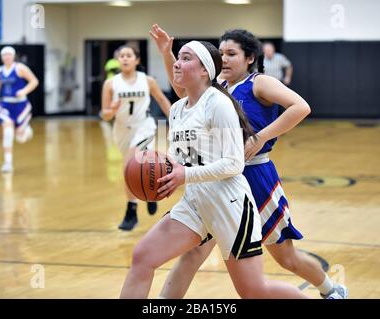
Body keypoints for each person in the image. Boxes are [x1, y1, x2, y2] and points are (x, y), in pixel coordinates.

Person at [149, 25, 348, 299]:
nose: (225, 59)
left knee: (285, 257)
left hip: (255, 177)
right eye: (221, 54)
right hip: (216, 180)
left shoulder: (259, 83)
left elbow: (301, 107)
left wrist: (259, 138)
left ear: (250, 58)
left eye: (232, 53)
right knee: (193, 253)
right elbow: (183, 92)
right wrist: (166, 53)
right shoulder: (216, 87)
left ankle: (331, 290)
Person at [120, 40, 309, 299]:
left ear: (204, 71)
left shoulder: (218, 104)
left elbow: (234, 163)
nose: (177, 63)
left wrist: (184, 175)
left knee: (254, 292)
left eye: (186, 58)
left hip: (230, 205)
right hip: (195, 203)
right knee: (143, 256)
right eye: (178, 57)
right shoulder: (177, 110)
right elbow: (180, 158)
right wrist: (162, 171)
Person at [100, 45, 171, 231]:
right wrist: (112, 111)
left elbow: (162, 100)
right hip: (122, 130)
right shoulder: (110, 84)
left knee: (130, 165)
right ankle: (149, 192)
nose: (124, 58)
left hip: (144, 127)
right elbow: (105, 114)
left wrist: (176, 119)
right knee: (135, 167)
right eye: (121, 55)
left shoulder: (147, 81)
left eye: (128, 55)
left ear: (137, 60)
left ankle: (131, 211)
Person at [0, 46, 39, 174]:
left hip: (21, 105)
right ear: (2, 57)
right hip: (6, 105)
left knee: (20, 137)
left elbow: (34, 81)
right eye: (4, 55)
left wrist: (24, 91)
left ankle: (25, 131)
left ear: (13, 56)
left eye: (9, 55)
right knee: (7, 133)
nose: (7, 57)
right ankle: (8, 163)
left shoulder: (20, 68)